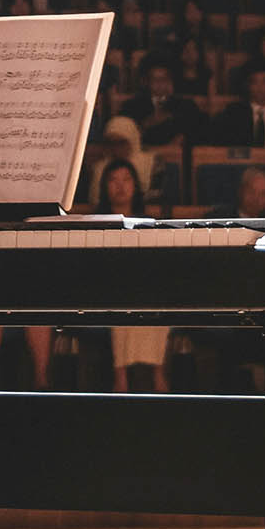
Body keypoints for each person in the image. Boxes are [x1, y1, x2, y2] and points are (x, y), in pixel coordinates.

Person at [92, 160, 168, 392]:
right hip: (108, 290)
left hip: (140, 287)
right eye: (113, 180)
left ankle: (158, 374)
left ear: (136, 186)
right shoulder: (94, 222)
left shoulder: (146, 223)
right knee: (120, 303)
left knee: (156, 301)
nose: (120, 186)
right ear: (105, 186)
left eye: (126, 180)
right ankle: (120, 378)